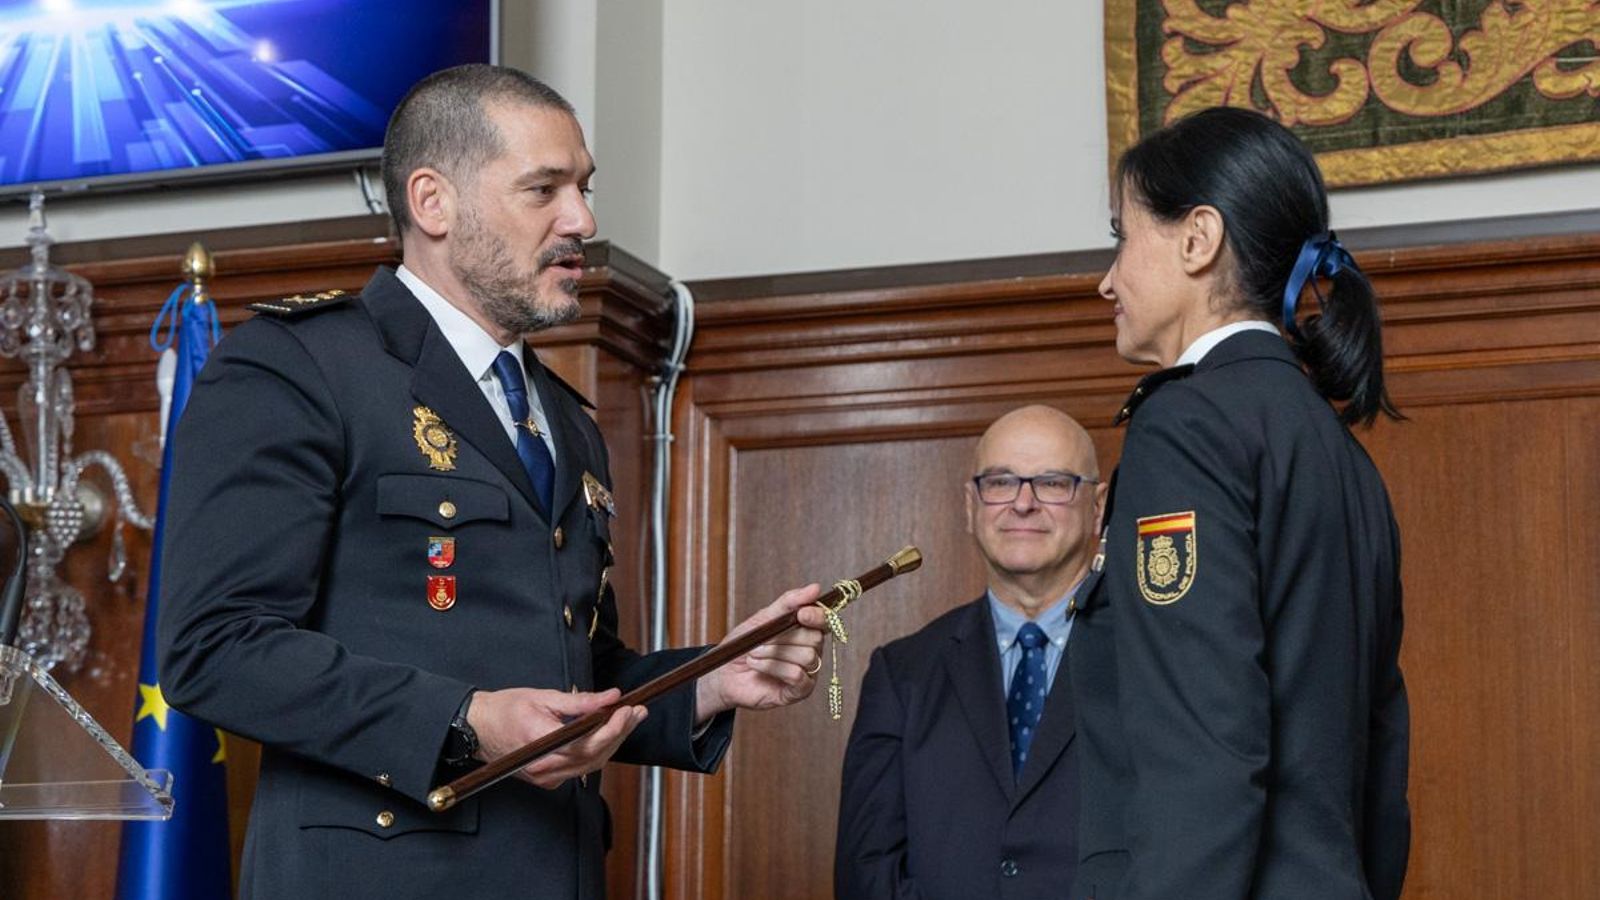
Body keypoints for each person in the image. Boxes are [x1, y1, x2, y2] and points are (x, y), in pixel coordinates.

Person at [156, 64, 827, 900]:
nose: (581, 219)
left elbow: (579, 669)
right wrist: (466, 723)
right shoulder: (299, 367)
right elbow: (213, 648)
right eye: (543, 189)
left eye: (582, 187)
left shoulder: (564, 418)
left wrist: (713, 680)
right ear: (433, 203)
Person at [1068, 106, 1410, 900]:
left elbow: (1202, 747)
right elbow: (1382, 757)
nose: (1107, 279)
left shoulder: (1186, 426)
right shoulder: (1343, 458)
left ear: (1198, 239)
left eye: (1121, 236)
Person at [835, 405, 1106, 900]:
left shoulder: (1153, 660)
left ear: (1097, 507)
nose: (1023, 504)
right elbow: (867, 873)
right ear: (970, 506)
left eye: (1052, 482)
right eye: (1001, 482)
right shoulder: (902, 674)